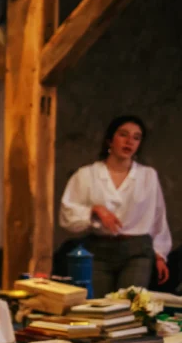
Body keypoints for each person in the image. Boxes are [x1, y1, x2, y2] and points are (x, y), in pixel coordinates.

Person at [59, 115, 171, 297]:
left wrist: (160, 255)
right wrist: (94, 210)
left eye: (136, 137)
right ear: (110, 139)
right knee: (99, 308)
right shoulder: (87, 175)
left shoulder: (147, 176)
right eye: (123, 135)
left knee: (129, 307)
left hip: (137, 250)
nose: (129, 142)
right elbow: (67, 214)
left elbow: (158, 216)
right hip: (99, 249)